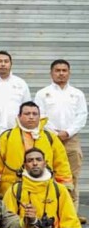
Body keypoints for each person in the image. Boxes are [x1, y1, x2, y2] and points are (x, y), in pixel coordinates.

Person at [34, 59, 87, 219]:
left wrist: (68, 132)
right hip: (49, 138)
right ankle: (50, 213)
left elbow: (82, 115)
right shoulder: (42, 93)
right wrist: (55, 133)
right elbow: (39, 115)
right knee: (48, 174)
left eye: (64, 70)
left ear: (69, 73)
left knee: (72, 176)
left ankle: (71, 214)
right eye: (57, 70)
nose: (61, 73)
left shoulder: (77, 94)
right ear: (51, 73)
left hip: (71, 140)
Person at [0, 101, 72, 198]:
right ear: (19, 116)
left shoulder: (50, 137)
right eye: (27, 114)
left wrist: (65, 188)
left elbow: (62, 164)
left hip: (44, 190)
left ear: (39, 116)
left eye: (35, 114)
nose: (31, 117)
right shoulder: (6, 137)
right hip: (12, 191)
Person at [0, 50, 31, 131]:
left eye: (6, 61)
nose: (3, 64)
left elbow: (28, 109)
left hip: (15, 130)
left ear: (11, 64)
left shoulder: (20, 84)